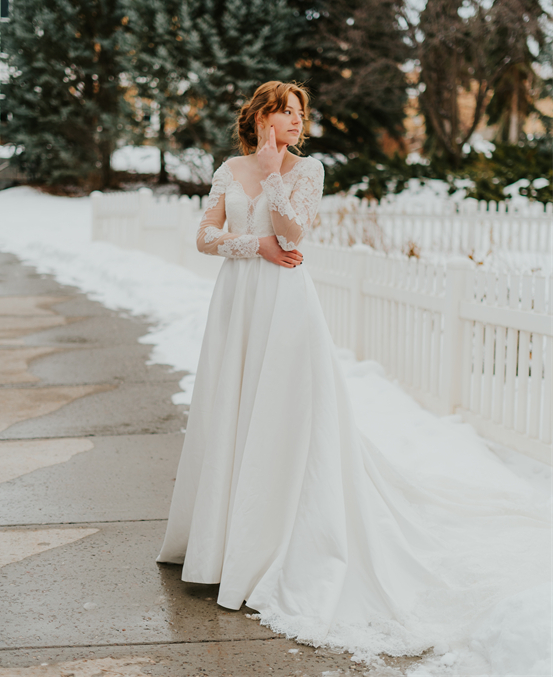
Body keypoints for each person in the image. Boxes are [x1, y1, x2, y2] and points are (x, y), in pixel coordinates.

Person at [157, 81, 549, 663]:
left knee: (285, 415)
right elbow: (204, 237)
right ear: (260, 114)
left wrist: (271, 178)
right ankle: (217, 539)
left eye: (300, 113)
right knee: (233, 406)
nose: (295, 120)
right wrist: (253, 245)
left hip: (286, 308)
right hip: (237, 303)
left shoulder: (305, 170)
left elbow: (295, 234)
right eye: (284, 111)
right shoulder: (227, 167)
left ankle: (269, 541)